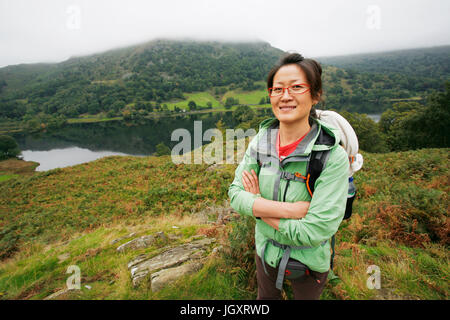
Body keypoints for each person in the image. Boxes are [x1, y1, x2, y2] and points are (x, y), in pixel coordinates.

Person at [228, 53, 349, 300]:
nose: (285, 96)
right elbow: (235, 195)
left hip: (309, 262)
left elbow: (315, 231)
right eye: (277, 89)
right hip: (265, 252)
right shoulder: (261, 142)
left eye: (296, 87)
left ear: (315, 95)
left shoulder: (332, 157)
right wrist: (293, 210)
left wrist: (258, 207)